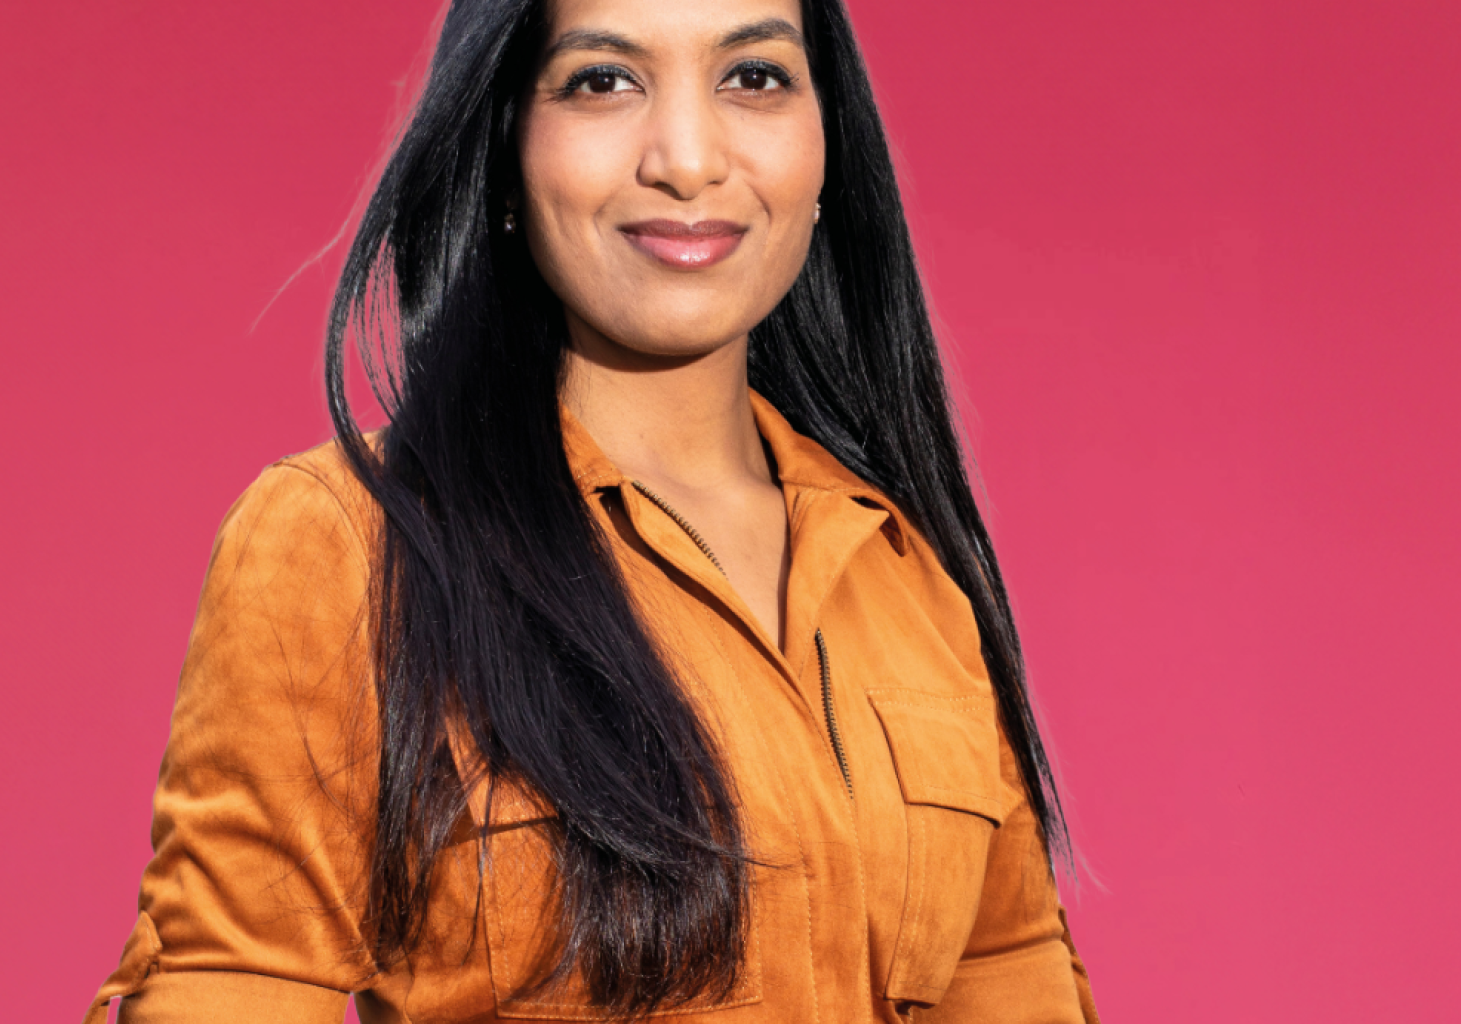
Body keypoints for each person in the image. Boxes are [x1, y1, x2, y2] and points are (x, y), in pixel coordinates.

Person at [82, 0, 1101, 1020]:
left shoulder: (908, 572)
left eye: (753, 77)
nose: (688, 160)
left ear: (828, 141)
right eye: (603, 81)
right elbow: (231, 984)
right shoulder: (351, 543)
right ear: (506, 147)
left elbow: (1013, 979)